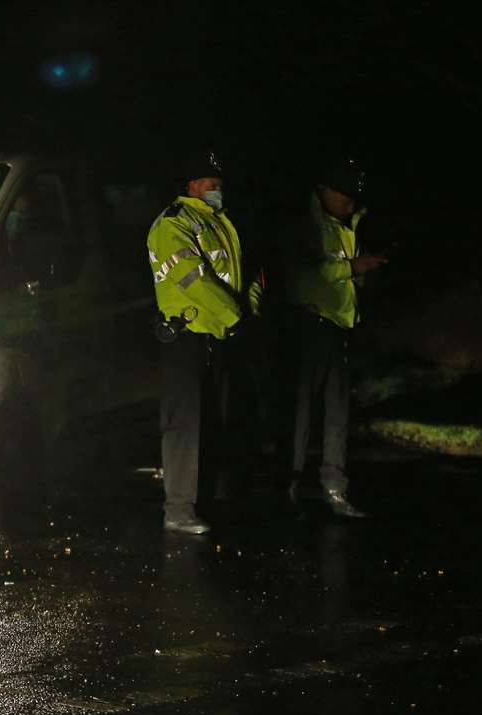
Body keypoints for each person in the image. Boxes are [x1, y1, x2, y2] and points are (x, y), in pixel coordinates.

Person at [146, 149, 264, 535]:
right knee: (185, 426)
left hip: (221, 336)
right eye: (211, 185)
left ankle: (211, 499)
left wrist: (249, 314)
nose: (218, 191)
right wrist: (237, 317)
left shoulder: (221, 223)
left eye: (220, 186)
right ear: (192, 185)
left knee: (218, 420)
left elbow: (245, 276)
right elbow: (192, 280)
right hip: (188, 337)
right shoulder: (174, 224)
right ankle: (178, 509)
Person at [277, 157, 386, 519]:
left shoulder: (347, 226)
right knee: (301, 414)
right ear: (324, 192)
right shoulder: (308, 226)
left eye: (355, 196)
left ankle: (335, 488)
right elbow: (303, 276)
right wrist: (351, 268)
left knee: (338, 413)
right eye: (345, 195)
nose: (351, 202)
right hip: (310, 326)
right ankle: (288, 487)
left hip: (341, 327)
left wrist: (361, 275)